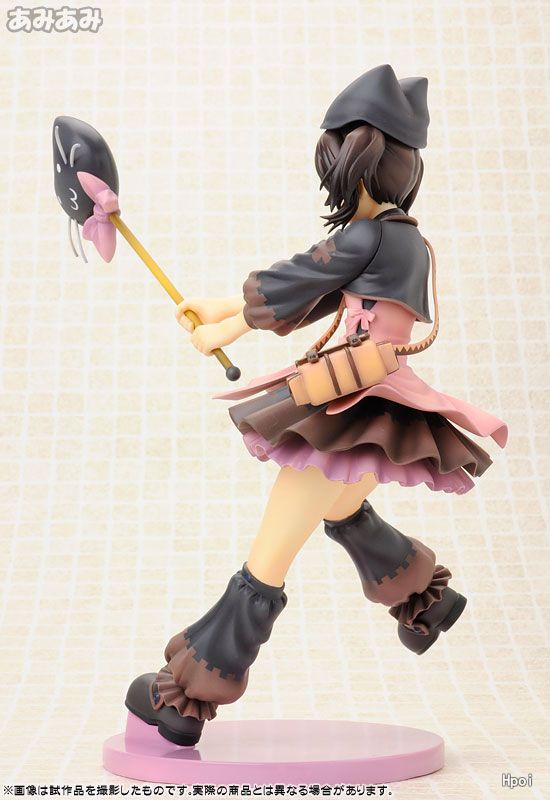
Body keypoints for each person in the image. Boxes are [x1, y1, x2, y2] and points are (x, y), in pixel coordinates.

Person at [125, 65, 508, 747]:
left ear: (353, 166)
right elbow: (315, 289)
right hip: (381, 400)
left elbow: (299, 279)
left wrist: (224, 329)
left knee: (267, 556)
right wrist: (222, 310)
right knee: (341, 509)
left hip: (350, 407)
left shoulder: (367, 237)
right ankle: (423, 596)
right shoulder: (401, 236)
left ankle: (190, 691)